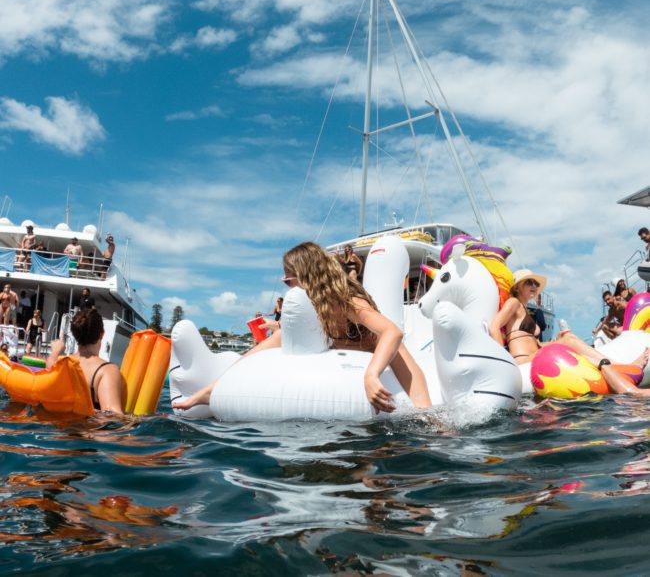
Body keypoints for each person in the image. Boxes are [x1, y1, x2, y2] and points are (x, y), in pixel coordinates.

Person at [174, 241, 432, 413]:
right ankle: (207, 392)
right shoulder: (314, 307)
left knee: (400, 355)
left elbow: (392, 332)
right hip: (334, 348)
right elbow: (263, 349)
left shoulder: (347, 300)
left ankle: (431, 417)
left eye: (288, 279)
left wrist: (371, 374)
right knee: (275, 339)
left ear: (309, 277)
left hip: (370, 346)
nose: (285, 284)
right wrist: (213, 389)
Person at [491, 269, 648, 370]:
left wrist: (554, 341)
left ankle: (611, 366)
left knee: (567, 338)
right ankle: (623, 367)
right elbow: (494, 327)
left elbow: (534, 344)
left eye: (536, 283)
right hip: (522, 361)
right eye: (529, 282)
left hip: (533, 356)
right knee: (569, 339)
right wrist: (505, 363)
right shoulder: (514, 303)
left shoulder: (525, 309)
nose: (534, 286)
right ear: (518, 287)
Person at [46, 308, 123, 413]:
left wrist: (56, 350)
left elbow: (50, 363)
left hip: (58, 427)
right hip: (88, 429)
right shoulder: (107, 371)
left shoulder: (60, 364)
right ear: (102, 333)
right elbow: (113, 415)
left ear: (74, 334)